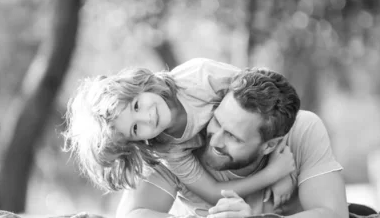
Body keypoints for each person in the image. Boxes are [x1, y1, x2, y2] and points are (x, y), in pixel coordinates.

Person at [115, 63, 350, 218]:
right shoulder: (168, 142)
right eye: (216, 120)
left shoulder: (302, 130)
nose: (214, 139)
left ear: (270, 145)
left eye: (234, 137)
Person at [63, 58, 296, 208]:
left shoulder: (198, 77)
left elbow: (268, 102)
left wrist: (283, 168)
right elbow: (214, 194)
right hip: (231, 164)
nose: (147, 117)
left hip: (258, 140)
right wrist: (274, 174)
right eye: (135, 128)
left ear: (139, 86)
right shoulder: (169, 149)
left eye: (136, 106)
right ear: (138, 141)